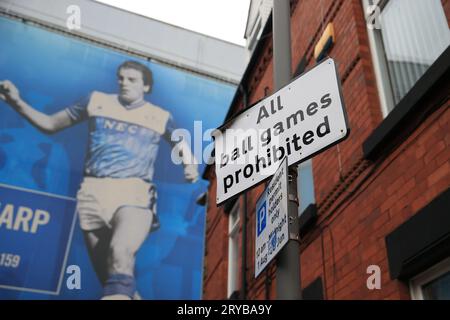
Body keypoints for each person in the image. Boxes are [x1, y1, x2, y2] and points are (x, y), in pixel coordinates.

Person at [0, 60, 199, 300]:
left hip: (133, 192)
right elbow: (51, 124)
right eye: (121, 78)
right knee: (113, 278)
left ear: (146, 87)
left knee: (120, 252)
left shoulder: (159, 116)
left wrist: (190, 163)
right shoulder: (96, 101)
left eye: (132, 80)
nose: (124, 83)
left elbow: (180, 141)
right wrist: (16, 102)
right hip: (92, 192)